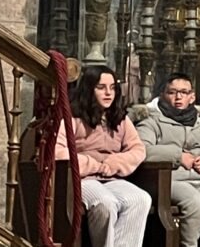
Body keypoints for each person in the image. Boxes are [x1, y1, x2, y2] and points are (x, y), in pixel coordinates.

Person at [136, 73, 200, 247]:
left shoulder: (199, 124)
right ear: (163, 94)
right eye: (173, 92)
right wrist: (178, 156)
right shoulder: (152, 122)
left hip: (199, 179)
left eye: (184, 92)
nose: (178, 97)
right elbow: (142, 150)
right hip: (168, 180)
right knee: (195, 202)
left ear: (191, 97)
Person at [55, 64, 151, 247]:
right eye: (101, 88)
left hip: (111, 177)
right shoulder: (72, 117)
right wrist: (91, 164)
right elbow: (58, 152)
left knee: (141, 199)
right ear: (90, 89)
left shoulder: (120, 118)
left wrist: (116, 162)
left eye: (112, 88)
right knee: (105, 203)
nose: (108, 93)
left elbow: (138, 149)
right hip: (82, 179)